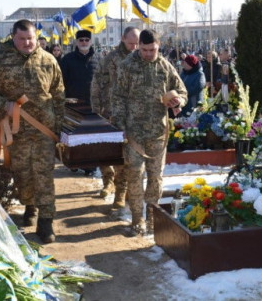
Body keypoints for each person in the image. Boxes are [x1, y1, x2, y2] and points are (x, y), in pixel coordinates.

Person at [0, 19, 65, 244]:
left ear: (36, 37)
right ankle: (29, 204)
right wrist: (3, 104)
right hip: (15, 130)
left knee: (44, 173)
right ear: (13, 38)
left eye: (30, 38)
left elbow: (59, 93)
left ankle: (46, 221)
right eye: (22, 39)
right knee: (21, 172)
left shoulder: (48, 60)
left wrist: (60, 126)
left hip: (44, 129)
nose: (27, 43)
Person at [111, 29, 187, 236]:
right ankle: (137, 218)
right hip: (133, 133)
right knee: (135, 176)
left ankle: (152, 217)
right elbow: (117, 97)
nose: (147, 53)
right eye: (144, 50)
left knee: (156, 178)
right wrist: (120, 126)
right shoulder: (127, 66)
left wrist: (178, 100)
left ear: (158, 45)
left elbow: (182, 91)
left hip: (157, 133)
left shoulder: (165, 66)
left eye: (152, 49)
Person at [90, 26, 139, 205]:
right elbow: (96, 85)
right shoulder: (110, 60)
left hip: (134, 115)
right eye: (131, 42)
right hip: (110, 113)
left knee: (126, 156)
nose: (134, 47)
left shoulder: (142, 59)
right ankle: (110, 183)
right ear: (122, 39)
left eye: (137, 43)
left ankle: (122, 190)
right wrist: (96, 111)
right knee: (109, 153)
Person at [60, 29, 99, 103]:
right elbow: (60, 81)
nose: (84, 42)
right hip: (73, 103)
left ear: (90, 42)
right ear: (77, 42)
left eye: (87, 40)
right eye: (81, 40)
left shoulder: (99, 59)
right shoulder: (67, 59)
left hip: (94, 103)